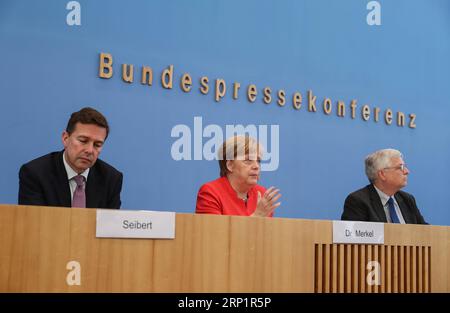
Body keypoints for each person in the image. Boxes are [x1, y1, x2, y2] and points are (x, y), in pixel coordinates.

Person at [18, 107, 123, 209]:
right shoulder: (35, 174)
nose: (90, 150)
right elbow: (32, 223)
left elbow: (111, 225)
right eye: (83, 141)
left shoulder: (111, 179)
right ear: (65, 138)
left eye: (97, 144)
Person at [196, 135, 281, 217]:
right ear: (230, 165)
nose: (256, 166)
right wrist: (257, 216)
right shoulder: (211, 192)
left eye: (258, 161)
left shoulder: (261, 194)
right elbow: (213, 231)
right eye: (248, 160)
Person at [341, 148, 426, 224]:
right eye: (401, 167)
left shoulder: (407, 200)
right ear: (382, 174)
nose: (407, 171)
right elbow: (354, 239)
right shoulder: (358, 201)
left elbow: (425, 232)